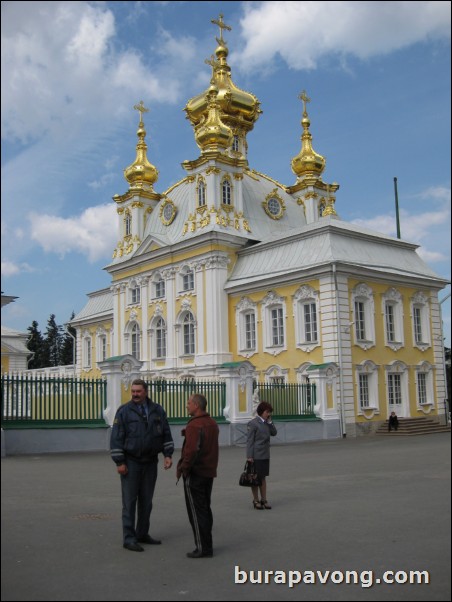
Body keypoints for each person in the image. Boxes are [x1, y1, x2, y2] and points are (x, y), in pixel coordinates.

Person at [110, 379, 174, 552]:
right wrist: (120, 462)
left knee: (146, 501)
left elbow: (165, 433)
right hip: (131, 462)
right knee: (129, 502)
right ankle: (129, 538)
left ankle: (142, 533)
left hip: (150, 462)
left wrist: (168, 455)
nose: (135, 394)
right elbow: (116, 438)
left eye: (138, 391)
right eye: (133, 391)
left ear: (146, 391)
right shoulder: (124, 411)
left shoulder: (157, 410)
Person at [177, 394, 219, 558]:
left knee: (195, 511)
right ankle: (206, 545)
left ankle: (203, 547)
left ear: (196, 405)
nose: (187, 406)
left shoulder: (195, 425)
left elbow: (192, 450)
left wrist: (184, 467)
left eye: (188, 403)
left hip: (196, 473)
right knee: (205, 508)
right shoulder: (212, 423)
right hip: (208, 472)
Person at [246, 401, 277, 510]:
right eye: (267, 412)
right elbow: (250, 441)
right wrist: (249, 456)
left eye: (269, 412)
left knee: (263, 478)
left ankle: (264, 499)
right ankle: (256, 500)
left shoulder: (267, 423)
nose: (268, 414)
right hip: (255, 455)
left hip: (265, 455)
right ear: (261, 411)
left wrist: (270, 422)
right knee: (255, 478)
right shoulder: (253, 423)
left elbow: (274, 433)